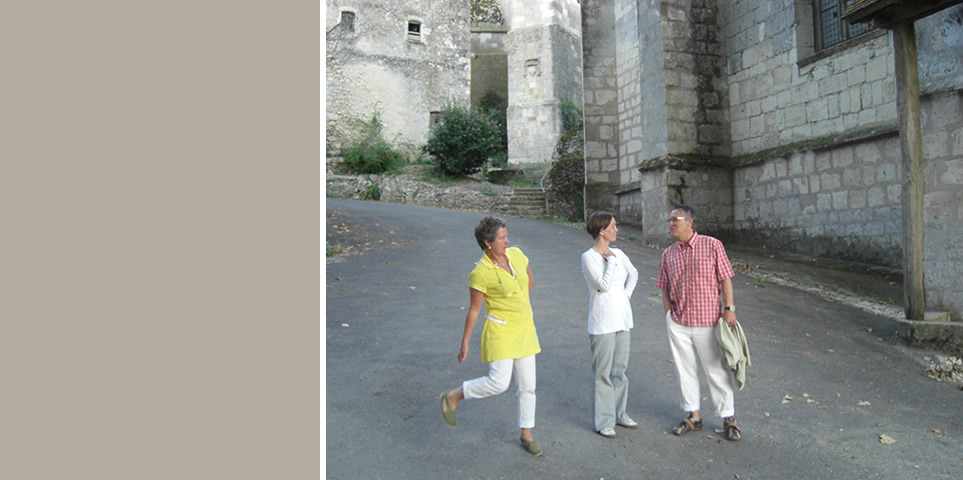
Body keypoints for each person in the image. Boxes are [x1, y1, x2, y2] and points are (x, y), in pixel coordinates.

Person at [439, 216, 543, 456]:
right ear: (487, 242)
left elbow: (528, 281)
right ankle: (454, 395)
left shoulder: (517, 254)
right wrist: (465, 341)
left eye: (507, 236)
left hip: (525, 329)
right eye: (502, 238)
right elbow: (475, 309)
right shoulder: (480, 273)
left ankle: (526, 434)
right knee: (498, 382)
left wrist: (518, 305)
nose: (507, 241)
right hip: (501, 331)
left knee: (528, 386)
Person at [656, 204, 742, 441]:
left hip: (709, 321)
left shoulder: (712, 245)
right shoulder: (668, 254)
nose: (671, 223)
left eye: (676, 219)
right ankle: (694, 415)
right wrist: (668, 317)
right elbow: (664, 287)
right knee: (685, 370)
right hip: (679, 322)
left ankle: (728, 417)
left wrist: (729, 309)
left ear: (690, 222)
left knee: (717, 369)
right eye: (670, 220)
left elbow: (725, 279)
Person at [581, 211, 640, 438]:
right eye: (613, 226)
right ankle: (604, 421)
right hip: (602, 321)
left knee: (619, 370)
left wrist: (625, 295)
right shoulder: (589, 257)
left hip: (622, 318)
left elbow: (633, 274)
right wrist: (612, 261)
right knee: (603, 372)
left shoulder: (620, 253)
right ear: (601, 230)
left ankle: (619, 413)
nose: (616, 230)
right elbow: (603, 285)